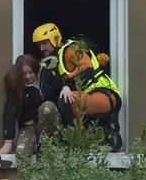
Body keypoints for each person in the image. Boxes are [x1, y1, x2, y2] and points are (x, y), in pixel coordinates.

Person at [32, 22, 123, 151]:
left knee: (65, 99)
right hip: (89, 96)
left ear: (55, 39)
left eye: (44, 43)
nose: (41, 48)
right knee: (62, 100)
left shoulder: (71, 49)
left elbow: (88, 70)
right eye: (39, 45)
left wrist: (67, 84)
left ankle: (81, 140)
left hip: (104, 95)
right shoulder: (56, 59)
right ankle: (85, 138)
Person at [0, 54, 62, 158]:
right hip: (29, 126)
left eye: (30, 72)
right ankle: (34, 149)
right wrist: (8, 141)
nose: (28, 76)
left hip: (49, 127)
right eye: (24, 74)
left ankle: (47, 146)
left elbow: (59, 90)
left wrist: (65, 86)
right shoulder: (17, 87)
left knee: (47, 107)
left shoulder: (47, 77)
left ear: (36, 70)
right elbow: (9, 112)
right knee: (21, 152)